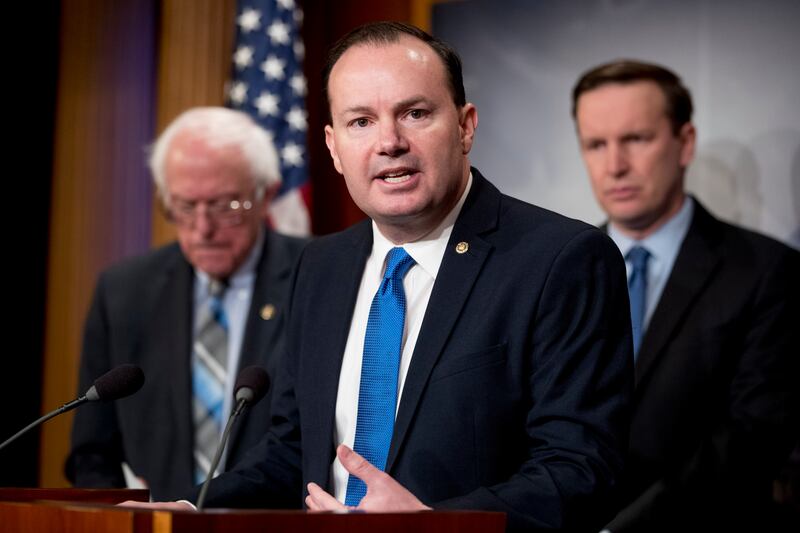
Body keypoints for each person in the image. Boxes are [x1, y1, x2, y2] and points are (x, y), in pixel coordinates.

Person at [127, 22, 633, 532]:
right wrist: (191, 510)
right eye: (361, 122)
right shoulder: (320, 266)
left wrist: (431, 524)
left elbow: (582, 470)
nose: (389, 142)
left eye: (415, 113)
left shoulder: (560, 259)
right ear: (333, 146)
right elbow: (293, 456)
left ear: (465, 126)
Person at [572, 60, 800, 532]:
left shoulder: (767, 271)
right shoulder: (559, 271)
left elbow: (750, 438)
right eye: (596, 144)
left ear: (685, 143)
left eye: (636, 139)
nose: (615, 165)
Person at [66, 107, 308, 501]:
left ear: (265, 195)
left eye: (224, 205)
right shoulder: (123, 291)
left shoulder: (315, 277)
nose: (202, 229)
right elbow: (93, 451)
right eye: (184, 206)